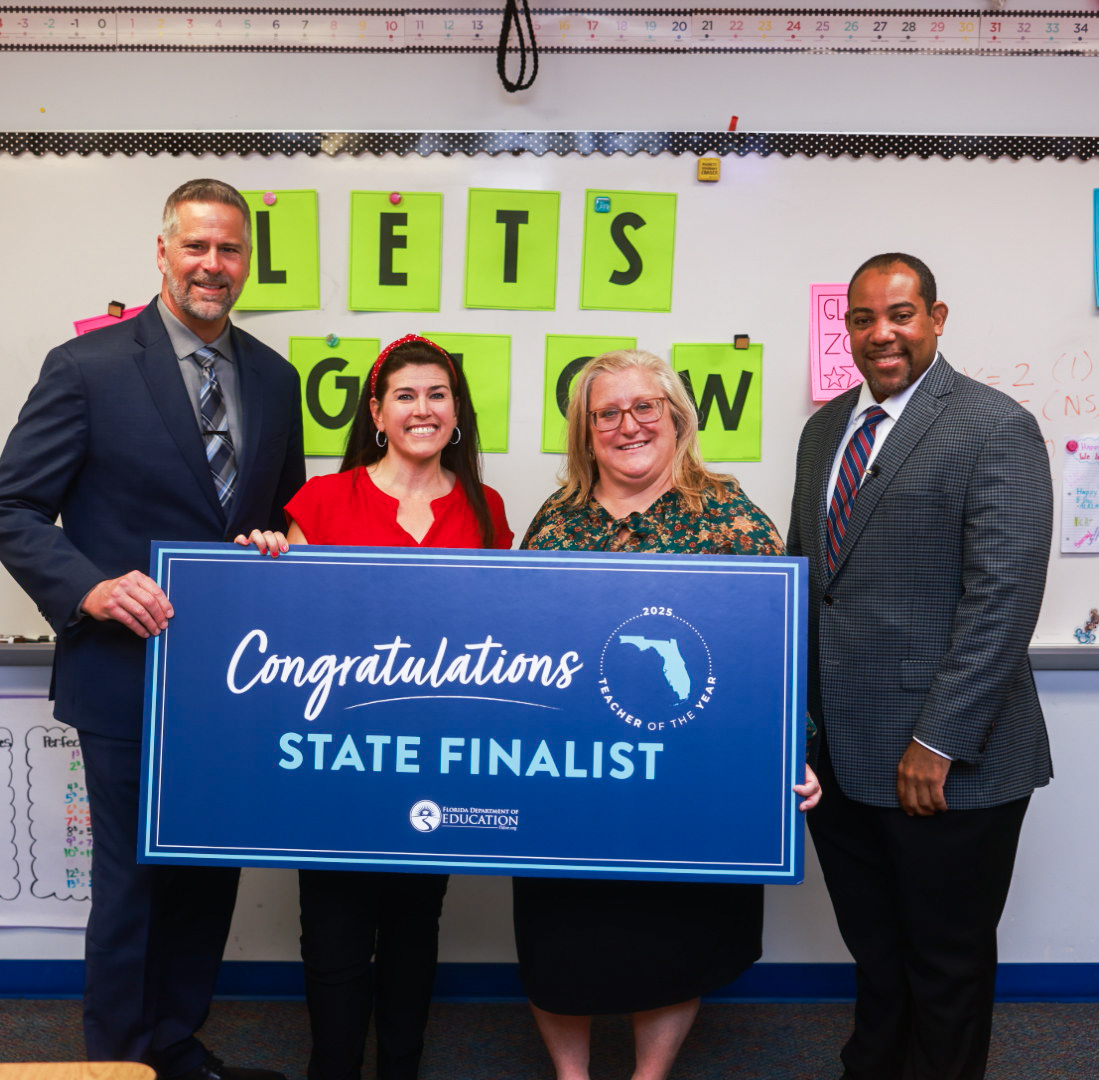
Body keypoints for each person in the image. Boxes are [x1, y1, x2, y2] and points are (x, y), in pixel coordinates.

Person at [0, 179, 305, 1080]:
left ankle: (175, 1043)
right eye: (196, 247)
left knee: (207, 879)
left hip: (233, 683)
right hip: (124, 673)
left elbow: (275, 512)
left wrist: (279, 537)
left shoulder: (276, 379)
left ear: (248, 262)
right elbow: (7, 509)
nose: (213, 266)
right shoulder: (85, 367)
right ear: (161, 252)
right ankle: (117, 1062)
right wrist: (87, 589)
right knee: (131, 883)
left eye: (230, 250)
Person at [513, 348, 820, 1080]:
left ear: (676, 416)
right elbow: (518, 641)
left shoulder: (730, 516)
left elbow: (775, 648)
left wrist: (791, 751)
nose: (627, 425)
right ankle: (572, 1075)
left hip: (689, 779)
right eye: (606, 413)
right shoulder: (556, 522)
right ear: (586, 432)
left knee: (672, 938)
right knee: (561, 937)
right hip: (574, 783)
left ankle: (651, 1076)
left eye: (643, 407)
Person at [787, 253, 1053, 1080]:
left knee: (945, 968)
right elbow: (809, 582)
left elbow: (1002, 600)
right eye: (863, 319)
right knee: (876, 955)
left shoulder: (993, 426)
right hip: (839, 755)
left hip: (945, 764)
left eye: (900, 314)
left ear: (938, 318)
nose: (882, 333)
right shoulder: (826, 429)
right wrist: (792, 725)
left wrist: (937, 740)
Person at [250, 333, 514, 1080]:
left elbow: (504, 635)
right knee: (333, 931)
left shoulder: (486, 509)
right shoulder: (322, 501)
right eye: (406, 395)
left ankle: (402, 1067)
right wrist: (264, 564)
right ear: (377, 411)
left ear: (456, 411)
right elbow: (284, 628)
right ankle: (331, 1070)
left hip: (433, 762)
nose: (422, 409)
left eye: (437, 394)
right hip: (335, 761)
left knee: (412, 928)